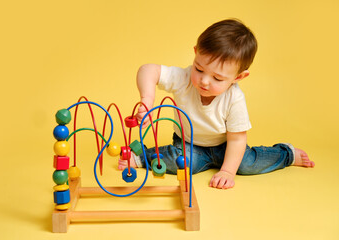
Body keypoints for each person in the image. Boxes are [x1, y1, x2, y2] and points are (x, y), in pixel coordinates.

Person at [118, 19, 315, 190]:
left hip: (225, 146)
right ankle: (141, 157)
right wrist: (147, 100)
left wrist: (228, 171)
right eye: (199, 68)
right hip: (188, 143)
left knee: (246, 164)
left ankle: (286, 154)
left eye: (217, 78)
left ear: (238, 77)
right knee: (185, 163)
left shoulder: (234, 99)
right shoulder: (184, 78)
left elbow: (237, 140)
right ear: (195, 53)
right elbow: (147, 70)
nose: (204, 81)